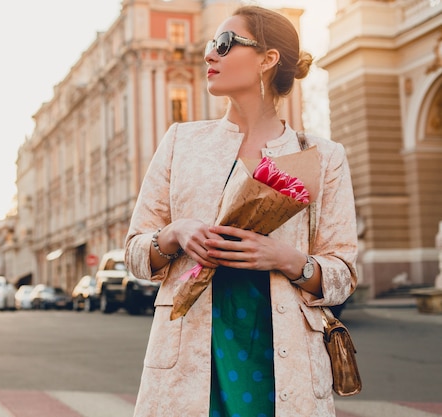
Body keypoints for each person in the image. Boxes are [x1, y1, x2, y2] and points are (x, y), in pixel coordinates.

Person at [124, 5, 358, 417]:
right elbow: (135, 255)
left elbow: (343, 276)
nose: (210, 54)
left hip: (282, 356)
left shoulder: (321, 157)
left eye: (225, 44)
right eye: (212, 44)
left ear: (268, 60)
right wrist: (174, 234)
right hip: (190, 356)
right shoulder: (181, 142)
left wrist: (287, 259)